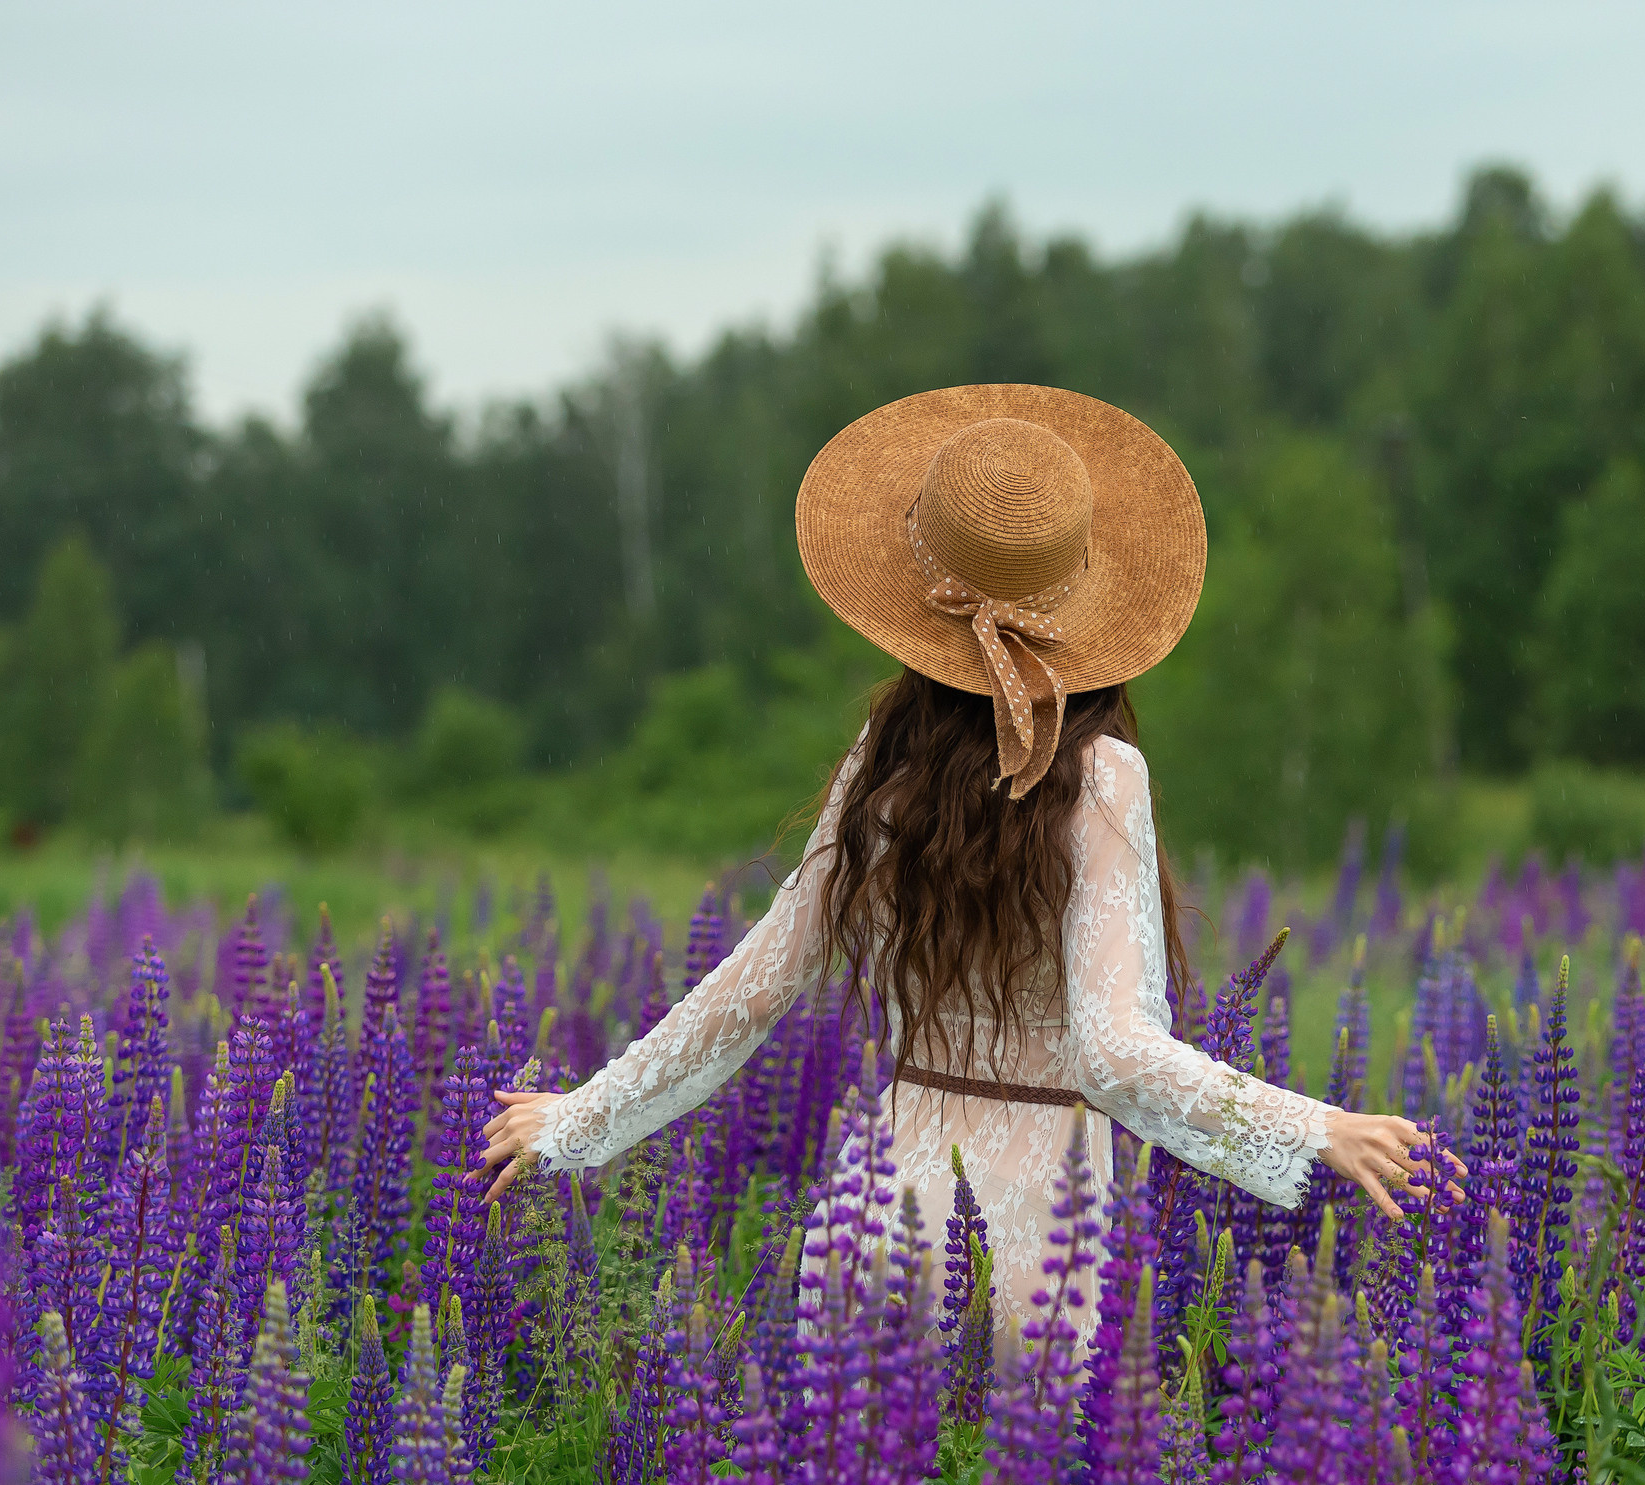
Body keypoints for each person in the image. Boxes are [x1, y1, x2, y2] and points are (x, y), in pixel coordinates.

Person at [479, 383, 1437, 1316]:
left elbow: (754, 986)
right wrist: (1316, 1128)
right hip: (1035, 1249)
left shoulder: (884, 762)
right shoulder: (1104, 775)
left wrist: (575, 1121)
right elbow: (1113, 1054)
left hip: (869, 1222)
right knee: (1023, 1480)